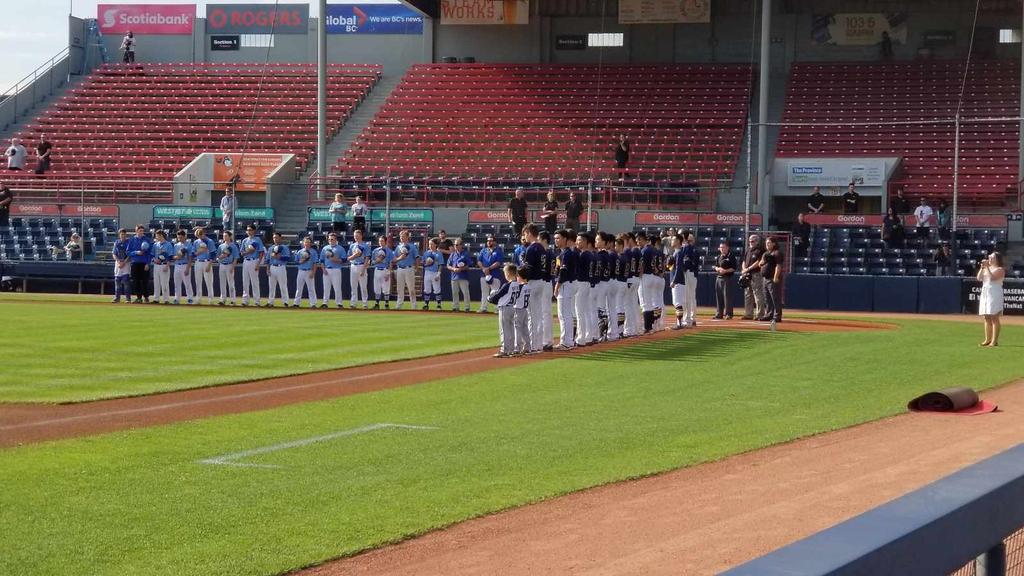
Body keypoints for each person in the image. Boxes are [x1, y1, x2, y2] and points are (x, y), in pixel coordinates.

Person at [520, 225, 548, 353]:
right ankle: (539, 344)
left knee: (532, 315)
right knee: (538, 315)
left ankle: (533, 345)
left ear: (529, 233)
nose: (524, 236)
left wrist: (523, 279)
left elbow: (528, 269)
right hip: (541, 281)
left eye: (525, 233)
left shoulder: (532, 248)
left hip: (533, 282)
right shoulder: (542, 247)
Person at [488, 263, 523, 357]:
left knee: (504, 329)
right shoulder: (518, 285)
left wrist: (490, 298)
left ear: (508, 274)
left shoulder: (507, 285)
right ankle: (511, 349)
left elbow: (497, 295)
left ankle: (504, 349)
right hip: (513, 307)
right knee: (511, 329)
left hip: (505, 308)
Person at [553, 229, 578, 350]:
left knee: (564, 315)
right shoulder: (564, 253)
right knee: (567, 314)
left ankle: (566, 342)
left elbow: (563, 272)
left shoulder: (566, 254)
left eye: (558, 238)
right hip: (570, 284)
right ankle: (569, 341)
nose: (556, 240)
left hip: (566, 284)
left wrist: (557, 286)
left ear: (565, 239)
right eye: (555, 238)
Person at [977, 252, 1005, 347]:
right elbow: (979, 278)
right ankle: (987, 339)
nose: (990, 259)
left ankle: (994, 341)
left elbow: (993, 278)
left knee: (994, 317)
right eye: (989, 257)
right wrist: (982, 268)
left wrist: (987, 268)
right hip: (986, 293)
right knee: (986, 317)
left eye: (992, 257)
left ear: (997, 259)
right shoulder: (986, 268)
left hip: (995, 293)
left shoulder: (1000, 269)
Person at [574, 231, 597, 345]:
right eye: (577, 240)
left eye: (579, 240)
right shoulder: (591, 254)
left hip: (582, 283)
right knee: (586, 311)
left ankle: (581, 338)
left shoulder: (583, 254)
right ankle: (588, 336)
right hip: (587, 283)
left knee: (580, 312)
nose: (577, 242)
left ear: (585, 242)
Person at [637, 232, 661, 334]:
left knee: (645, 303)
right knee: (650, 303)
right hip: (652, 276)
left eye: (639, 240)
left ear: (643, 239)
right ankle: (650, 326)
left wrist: (639, 276)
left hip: (645, 276)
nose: (638, 242)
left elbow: (641, 265)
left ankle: (647, 327)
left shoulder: (644, 250)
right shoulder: (654, 250)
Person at [621, 233, 643, 337]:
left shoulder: (628, 251)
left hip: (629, 278)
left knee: (627, 305)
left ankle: (629, 329)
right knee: (634, 304)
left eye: (623, 240)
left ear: (629, 240)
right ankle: (636, 328)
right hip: (636, 278)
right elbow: (641, 266)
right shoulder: (638, 250)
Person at [393, 229, 420, 310]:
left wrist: (416, 267)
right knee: (399, 288)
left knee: (411, 288)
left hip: (409, 268)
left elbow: (417, 258)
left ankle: (414, 305)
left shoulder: (412, 246)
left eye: (403, 236)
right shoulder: (398, 247)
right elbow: (394, 259)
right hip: (400, 268)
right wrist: (399, 258)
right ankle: (399, 304)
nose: (401, 238)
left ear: (407, 237)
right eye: (401, 236)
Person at [477, 235, 505, 313]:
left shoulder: (498, 251)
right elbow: (479, 261)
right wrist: (483, 268)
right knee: (484, 292)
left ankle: (496, 308)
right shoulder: (483, 251)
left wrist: (488, 268)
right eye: (488, 241)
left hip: (495, 274)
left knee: (495, 291)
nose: (489, 242)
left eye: (491, 240)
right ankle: (483, 307)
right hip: (484, 274)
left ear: (495, 242)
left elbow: (498, 262)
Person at [740, 234, 765, 320]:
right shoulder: (748, 250)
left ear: (757, 242)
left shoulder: (760, 250)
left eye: (753, 241)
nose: (751, 242)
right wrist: (744, 269)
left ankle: (760, 314)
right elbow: (743, 260)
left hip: (756, 274)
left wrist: (748, 269)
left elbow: (759, 262)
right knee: (747, 294)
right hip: (747, 274)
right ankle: (748, 314)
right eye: (750, 241)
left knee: (757, 294)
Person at [538, 230, 556, 349]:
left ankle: (545, 341)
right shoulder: (553, 254)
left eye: (539, 239)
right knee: (547, 313)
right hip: (549, 282)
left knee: (543, 313)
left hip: (544, 282)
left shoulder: (545, 253)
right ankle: (548, 340)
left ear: (544, 240)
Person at [240, 224, 265, 307]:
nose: (249, 231)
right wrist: (247, 252)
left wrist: (258, 264)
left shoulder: (257, 239)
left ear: (254, 231)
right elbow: (242, 253)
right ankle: (245, 300)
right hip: (246, 261)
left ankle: (257, 301)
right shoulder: (245, 240)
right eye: (248, 230)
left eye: (250, 230)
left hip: (254, 260)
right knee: (245, 281)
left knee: (254, 282)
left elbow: (261, 252)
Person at [759, 236, 784, 322]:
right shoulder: (765, 253)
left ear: (774, 243)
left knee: (775, 297)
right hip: (765, 278)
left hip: (772, 278)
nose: (767, 244)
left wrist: (776, 277)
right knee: (767, 298)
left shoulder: (777, 253)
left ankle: (777, 315)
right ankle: (769, 314)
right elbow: (760, 263)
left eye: (769, 242)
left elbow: (778, 265)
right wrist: (763, 261)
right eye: (766, 243)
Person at [321, 233, 347, 309]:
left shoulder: (340, 248)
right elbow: (322, 260)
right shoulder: (325, 248)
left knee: (337, 287)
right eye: (329, 239)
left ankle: (339, 303)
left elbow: (344, 260)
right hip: (327, 269)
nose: (330, 240)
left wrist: (336, 260)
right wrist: (323, 269)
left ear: (336, 240)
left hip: (336, 269)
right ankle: (325, 303)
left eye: (332, 239)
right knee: (326, 287)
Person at [292, 236, 320, 309]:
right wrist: (300, 261)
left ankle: (313, 304)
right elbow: (296, 261)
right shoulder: (300, 251)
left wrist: (313, 272)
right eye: (305, 242)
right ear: (303, 243)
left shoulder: (313, 252)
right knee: (299, 288)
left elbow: (315, 263)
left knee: (311, 288)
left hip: (309, 270)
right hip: (301, 271)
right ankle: (296, 303)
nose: (307, 243)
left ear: (311, 243)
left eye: (308, 242)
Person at [127, 225, 152, 303]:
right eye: (140, 231)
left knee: (145, 281)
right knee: (136, 281)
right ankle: (139, 297)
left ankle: (146, 297)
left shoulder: (147, 240)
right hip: (135, 263)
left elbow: (150, 253)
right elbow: (128, 252)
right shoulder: (132, 240)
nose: (141, 232)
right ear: (136, 231)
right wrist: (136, 252)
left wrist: (148, 263)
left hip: (144, 263)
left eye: (142, 231)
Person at [192, 227, 217, 305]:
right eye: (198, 236)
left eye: (200, 235)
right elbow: (193, 254)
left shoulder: (209, 241)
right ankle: (198, 298)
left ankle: (211, 299)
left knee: (209, 281)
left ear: (203, 233)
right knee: (198, 281)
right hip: (198, 261)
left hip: (207, 261)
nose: (199, 237)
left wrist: (209, 265)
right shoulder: (196, 242)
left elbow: (213, 254)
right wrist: (199, 252)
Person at [712, 242, 737, 320]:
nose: (722, 249)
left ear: (727, 248)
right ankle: (719, 313)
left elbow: (734, 268)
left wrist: (725, 271)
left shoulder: (731, 256)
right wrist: (718, 269)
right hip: (719, 278)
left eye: (723, 247)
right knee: (719, 297)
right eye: (721, 247)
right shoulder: (719, 257)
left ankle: (729, 314)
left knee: (727, 297)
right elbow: (715, 266)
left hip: (727, 278)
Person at [347, 228, 371, 309]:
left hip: (361, 265)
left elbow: (367, 258)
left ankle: (365, 303)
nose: (355, 237)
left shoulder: (365, 245)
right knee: (353, 286)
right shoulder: (352, 245)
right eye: (354, 236)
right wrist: (354, 256)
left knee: (363, 286)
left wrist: (363, 269)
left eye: (357, 235)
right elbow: (348, 257)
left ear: (361, 236)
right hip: (353, 265)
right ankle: (353, 303)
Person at [512, 266, 533, 354]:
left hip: (518, 308)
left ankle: (517, 347)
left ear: (519, 276)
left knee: (517, 328)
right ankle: (527, 346)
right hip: (524, 309)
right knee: (525, 328)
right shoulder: (528, 286)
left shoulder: (520, 287)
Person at [447, 238, 472, 312]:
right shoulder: (452, 254)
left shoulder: (465, 254)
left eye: (457, 244)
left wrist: (462, 268)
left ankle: (467, 307)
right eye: (454, 244)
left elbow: (469, 265)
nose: (455, 246)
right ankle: (455, 307)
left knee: (465, 292)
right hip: (454, 276)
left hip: (463, 276)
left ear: (461, 245)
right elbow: (448, 265)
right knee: (454, 293)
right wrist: (453, 269)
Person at [669, 234, 688, 330]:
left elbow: (679, 268)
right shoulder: (676, 253)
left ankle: (679, 323)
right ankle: (680, 322)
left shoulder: (679, 253)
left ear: (678, 241)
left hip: (678, 281)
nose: (671, 241)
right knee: (678, 302)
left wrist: (674, 281)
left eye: (673, 239)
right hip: (680, 281)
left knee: (677, 303)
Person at [171, 230, 194, 305]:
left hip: (185, 264)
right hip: (177, 265)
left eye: (180, 237)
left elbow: (190, 257)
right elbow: (173, 257)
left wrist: (188, 268)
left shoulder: (189, 245)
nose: (179, 239)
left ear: (184, 236)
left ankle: (190, 298)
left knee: (187, 283)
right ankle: (177, 298)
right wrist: (177, 257)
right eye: (178, 237)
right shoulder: (176, 245)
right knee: (177, 283)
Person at [150, 230, 173, 304]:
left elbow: (170, 256)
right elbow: (152, 255)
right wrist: (154, 260)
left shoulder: (168, 244)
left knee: (165, 283)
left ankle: (166, 299)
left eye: (157, 235)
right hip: (156, 265)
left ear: (161, 235)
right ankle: (156, 299)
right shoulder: (155, 244)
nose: (156, 237)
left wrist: (167, 265)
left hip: (164, 265)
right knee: (156, 283)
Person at [370, 234, 393, 309]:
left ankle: (386, 304)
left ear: (385, 242)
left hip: (385, 270)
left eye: (382, 241)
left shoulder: (389, 251)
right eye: (380, 241)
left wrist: (388, 273)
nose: (381, 242)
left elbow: (390, 263)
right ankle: (377, 303)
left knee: (386, 288)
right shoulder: (375, 250)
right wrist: (375, 261)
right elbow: (372, 261)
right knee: (377, 288)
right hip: (377, 269)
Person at [217, 231, 239, 306]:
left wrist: (233, 267)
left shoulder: (233, 246)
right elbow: (218, 257)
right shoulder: (221, 246)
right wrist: (222, 256)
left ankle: (233, 300)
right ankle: (223, 299)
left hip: (229, 264)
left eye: (226, 236)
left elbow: (236, 258)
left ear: (230, 237)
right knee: (222, 283)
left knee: (231, 284)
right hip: (222, 265)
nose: (224, 237)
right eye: (223, 236)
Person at [422, 238, 444, 311]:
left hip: (435, 272)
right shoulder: (426, 253)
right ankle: (426, 304)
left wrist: (438, 274)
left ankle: (438, 305)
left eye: (431, 244)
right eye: (429, 244)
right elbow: (423, 263)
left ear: (435, 245)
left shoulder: (439, 253)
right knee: (427, 289)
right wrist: (426, 264)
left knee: (437, 289)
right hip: (427, 272)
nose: (430, 245)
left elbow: (441, 264)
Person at [111, 228, 132, 303]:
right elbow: (114, 254)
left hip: (126, 263)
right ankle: (117, 298)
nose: (123, 235)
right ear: (119, 235)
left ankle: (128, 298)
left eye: (124, 234)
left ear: (126, 235)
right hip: (118, 263)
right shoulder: (117, 242)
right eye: (121, 234)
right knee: (117, 280)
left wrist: (124, 262)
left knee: (126, 280)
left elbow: (130, 254)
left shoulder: (129, 242)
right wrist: (118, 261)